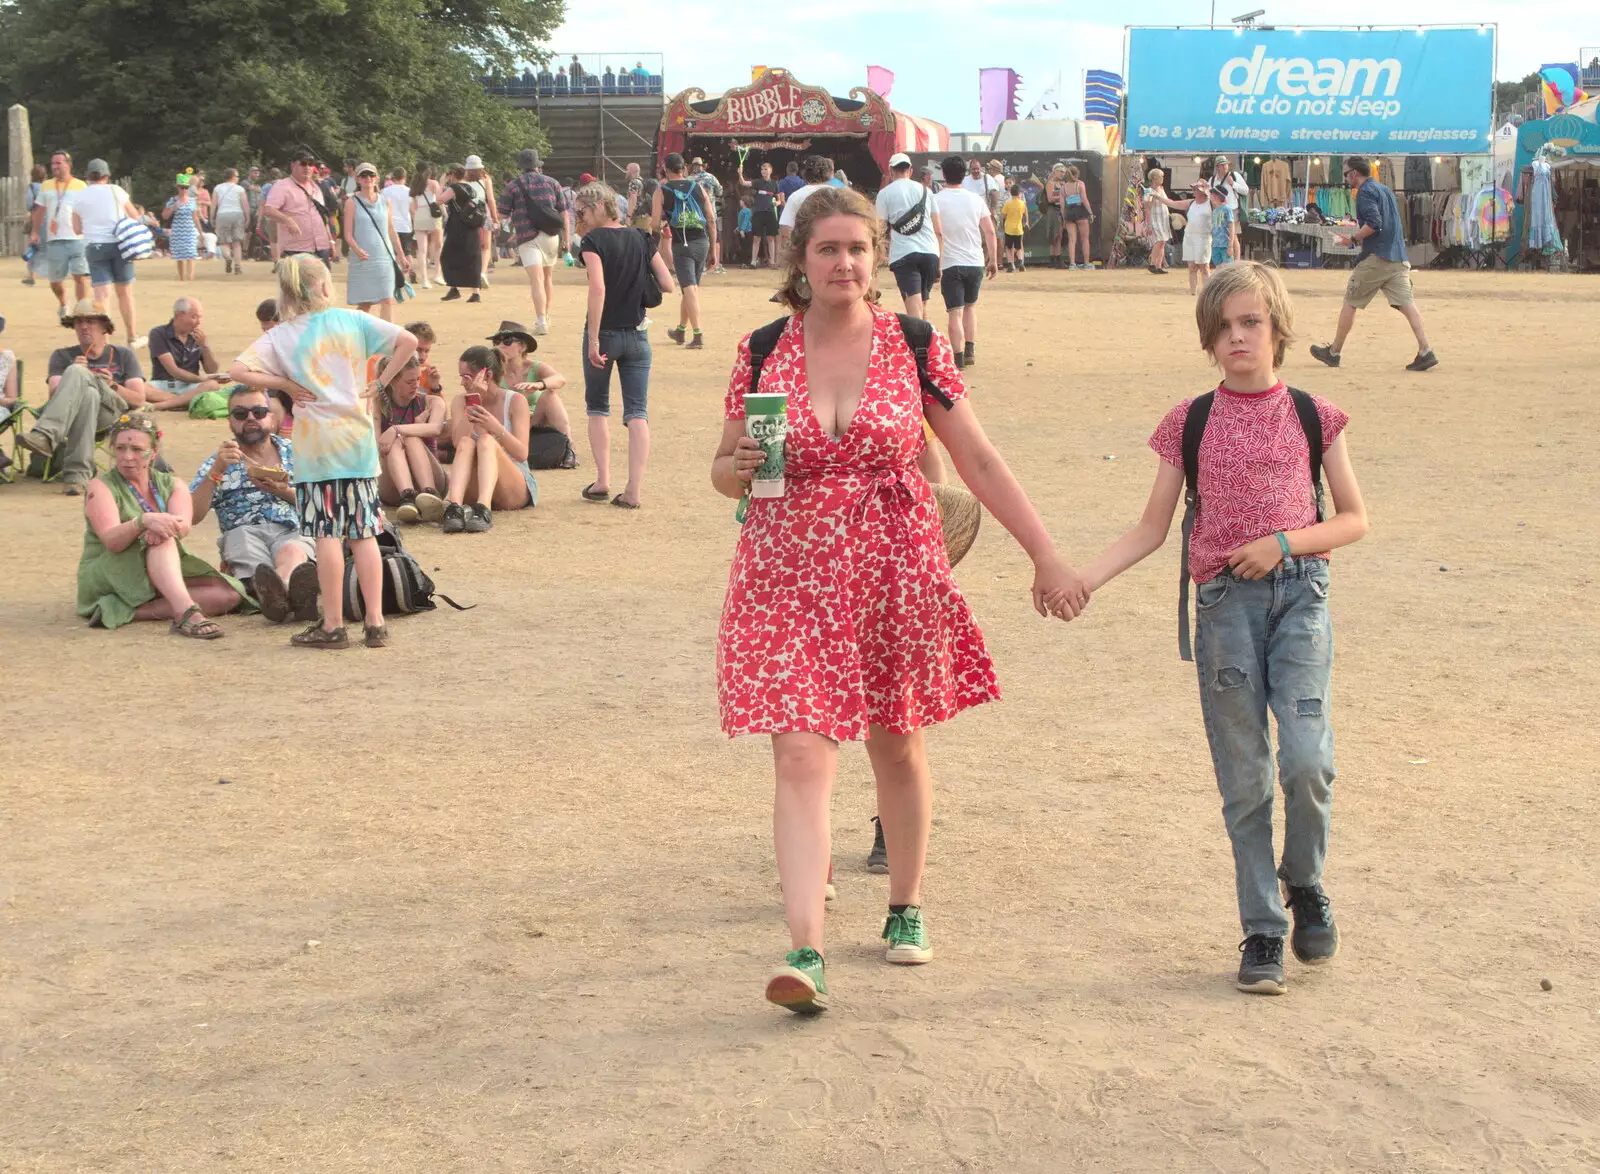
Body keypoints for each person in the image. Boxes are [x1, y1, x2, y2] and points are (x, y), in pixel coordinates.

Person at [711, 186, 1090, 1014]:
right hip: (788, 570)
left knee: (898, 742)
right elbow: (724, 469)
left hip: (894, 565)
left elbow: (979, 460)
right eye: (827, 250)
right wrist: (734, 464)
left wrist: (1045, 555)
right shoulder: (763, 349)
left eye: (856, 249)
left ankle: (905, 904)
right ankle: (804, 948)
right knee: (802, 754)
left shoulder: (914, 344)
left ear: (876, 258)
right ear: (799, 262)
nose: (843, 263)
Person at [1081, 261, 1368, 995]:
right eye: (1224, 327)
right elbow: (1150, 528)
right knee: (1245, 781)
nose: (1238, 337)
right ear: (1208, 341)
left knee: (1308, 761)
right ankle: (1264, 930)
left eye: (1252, 323)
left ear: (1277, 329)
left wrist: (1282, 542)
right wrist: (1081, 580)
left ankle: (1304, 882)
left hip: (1301, 600)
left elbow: (1352, 519)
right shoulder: (1190, 420)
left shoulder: (1314, 414)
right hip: (1223, 613)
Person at [230, 255, 418, 650]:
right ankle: (375, 622)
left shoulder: (283, 334)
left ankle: (332, 624)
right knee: (365, 531)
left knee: (327, 534)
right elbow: (408, 341)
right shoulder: (352, 320)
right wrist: (380, 382)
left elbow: (238, 371)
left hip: (317, 447)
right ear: (324, 286)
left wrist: (282, 380)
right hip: (357, 441)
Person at [79, 411, 250, 637]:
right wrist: (144, 522)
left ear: (153, 453)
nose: (127, 457)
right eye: (120, 448)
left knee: (229, 595)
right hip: (110, 569)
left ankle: (124, 610)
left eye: (137, 450)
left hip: (159, 567)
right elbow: (112, 541)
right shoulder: (100, 486)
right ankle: (186, 612)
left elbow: (184, 525)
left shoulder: (172, 484)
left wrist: (160, 526)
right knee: (164, 542)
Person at [574, 182, 675, 509]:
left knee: (598, 407)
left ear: (600, 206)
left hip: (604, 335)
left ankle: (603, 480)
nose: (581, 217)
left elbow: (598, 288)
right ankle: (633, 490)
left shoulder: (592, 242)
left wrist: (593, 339)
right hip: (637, 334)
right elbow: (668, 284)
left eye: (584, 210)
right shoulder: (641, 237)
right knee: (637, 412)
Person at [190, 385, 319, 622]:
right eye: (240, 414)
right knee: (253, 560)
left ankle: (281, 593)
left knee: (292, 549)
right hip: (243, 531)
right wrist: (216, 472)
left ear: (272, 416)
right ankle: (291, 595)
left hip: (290, 527)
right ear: (230, 420)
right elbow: (192, 516)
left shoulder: (296, 452)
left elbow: (320, 506)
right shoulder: (219, 461)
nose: (250, 418)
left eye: (258, 412)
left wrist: (285, 492)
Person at [1310, 159, 1438, 373]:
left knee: (1351, 300)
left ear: (1355, 174)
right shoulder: (1384, 189)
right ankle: (1426, 350)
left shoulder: (1364, 192)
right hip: (1397, 256)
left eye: (1346, 174)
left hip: (1377, 257)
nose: (1345, 178)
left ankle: (1334, 352)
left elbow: (1374, 223)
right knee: (1407, 304)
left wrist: (1352, 239)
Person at [16, 300, 151, 493]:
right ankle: (76, 476)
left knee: (79, 374)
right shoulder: (62, 355)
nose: (84, 326)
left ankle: (45, 435)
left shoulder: (123, 355)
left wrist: (113, 385)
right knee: (88, 394)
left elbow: (138, 399)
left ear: (105, 326)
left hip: (111, 415)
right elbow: (55, 394)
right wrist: (74, 370)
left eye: (91, 321)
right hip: (72, 415)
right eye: (79, 322)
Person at [437, 346, 536, 533]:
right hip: (475, 482)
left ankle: (483, 509)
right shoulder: (460, 401)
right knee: (467, 442)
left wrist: (495, 427)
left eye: (466, 376)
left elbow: (522, 454)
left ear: (487, 375)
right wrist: (474, 403)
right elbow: (458, 442)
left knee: (486, 440)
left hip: (514, 486)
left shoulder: (515, 401)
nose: (462, 382)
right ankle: (454, 507)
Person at [933, 156, 998, 370]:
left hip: (950, 263)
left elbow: (935, 231)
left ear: (944, 174)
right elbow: (989, 231)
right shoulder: (975, 199)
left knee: (955, 312)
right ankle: (970, 349)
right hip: (975, 261)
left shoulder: (937, 200)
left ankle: (958, 357)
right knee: (970, 308)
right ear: (965, 174)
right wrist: (993, 259)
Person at [73, 158, 143, 345]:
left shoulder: (80, 196)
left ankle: (103, 339)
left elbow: (77, 228)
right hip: (120, 245)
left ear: (88, 176)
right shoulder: (116, 191)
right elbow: (135, 216)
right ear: (107, 175)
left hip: (95, 246)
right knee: (125, 293)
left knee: (101, 295)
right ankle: (132, 336)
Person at [498, 148, 566, 333]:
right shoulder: (553, 183)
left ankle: (541, 320)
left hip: (527, 236)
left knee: (536, 280)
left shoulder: (513, 186)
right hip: (551, 235)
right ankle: (546, 314)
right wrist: (566, 238)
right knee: (547, 278)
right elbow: (564, 212)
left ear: (521, 166)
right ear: (537, 165)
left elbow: (502, 213)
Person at [371, 357, 447, 523]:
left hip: (432, 475)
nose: (416, 385)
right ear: (391, 381)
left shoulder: (432, 402)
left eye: (418, 379)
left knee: (410, 438)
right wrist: (401, 433)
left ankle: (430, 494)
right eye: (409, 381)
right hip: (392, 482)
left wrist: (396, 429)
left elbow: (435, 428)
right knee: (397, 442)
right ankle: (408, 497)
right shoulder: (377, 404)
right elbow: (376, 446)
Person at [653, 153, 716, 350]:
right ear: (684, 169)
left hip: (682, 244)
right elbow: (711, 220)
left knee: (689, 288)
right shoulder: (698, 188)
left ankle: (697, 334)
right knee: (691, 288)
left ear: (666, 169)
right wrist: (714, 249)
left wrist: (663, 224)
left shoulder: (662, 191)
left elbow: (654, 224)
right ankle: (681, 329)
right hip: (702, 242)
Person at [874, 152, 943, 320]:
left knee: (914, 309)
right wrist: (939, 264)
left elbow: (880, 228)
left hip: (903, 254)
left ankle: (918, 345)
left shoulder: (884, 194)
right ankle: (926, 343)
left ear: (891, 171)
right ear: (910, 171)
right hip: (930, 252)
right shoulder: (926, 192)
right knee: (921, 305)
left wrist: (876, 257)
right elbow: (939, 231)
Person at [344, 162, 410, 320]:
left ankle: (389, 338)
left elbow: (391, 230)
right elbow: (347, 234)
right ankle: (355, 332)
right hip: (363, 258)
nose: (368, 178)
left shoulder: (385, 201)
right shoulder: (351, 202)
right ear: (358, 179)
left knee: (387, 299)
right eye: (364, 175)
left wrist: (401, 255)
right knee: (365, 303)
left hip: (384, 257)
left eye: (371, 175)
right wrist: (357, 249)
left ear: (377, 178)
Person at [30, 150, 90, 320]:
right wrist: (34, 232)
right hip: (55, 239)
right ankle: (63, 303)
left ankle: (82, 311)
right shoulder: (46, 186)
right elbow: (39, 211)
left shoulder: (80, 185)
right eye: (53, 163)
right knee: (55, 281)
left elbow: (86, 210)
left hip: (77, 238)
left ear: (68, 164)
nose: (54, 166)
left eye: (58, 163)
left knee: (81, 276)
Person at [490, 320, 571, 438]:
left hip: (535, 421)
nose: (501, 345)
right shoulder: (493, 373)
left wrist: (539, 384)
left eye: (507, 341)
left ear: (522, 347)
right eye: (497, 342)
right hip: (509, 424)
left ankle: (568, 446)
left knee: (549, 396)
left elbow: (559, 379)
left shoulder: (534, 367)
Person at [145, 297, 226, 410]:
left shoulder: (197, 337)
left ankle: (161, 405)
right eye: (194, 317)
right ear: (179, 315)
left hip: (190, 387)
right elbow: (174, 371)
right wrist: (200, 379)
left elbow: (212, 370)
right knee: (139, 387)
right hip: (163, 385)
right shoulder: (158, 333)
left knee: (213, 385)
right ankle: (184, 401)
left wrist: (204, 346)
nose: (198, 322)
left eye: (200, 317)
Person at [263, 148, 333, 263]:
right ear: (292, 165)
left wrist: (331, 241)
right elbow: (269, 209)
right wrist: (287, 220)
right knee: (299, 281)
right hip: (295, 248)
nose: (307, 167)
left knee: (323, 281)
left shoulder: (316, 188)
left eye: (310, 164)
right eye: (303, 163)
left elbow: (322, 217)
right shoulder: (282, 186)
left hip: (321, 246)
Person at [1155, 179, 1214, 295]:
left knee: (1204, 266)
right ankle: (1193, 292)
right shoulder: (1191, 203)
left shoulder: (1211, 203)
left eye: (1196, 189)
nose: (1194, 191)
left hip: (1204, 237)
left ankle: (1207, 293)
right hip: (1189, 236)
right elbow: (1173, 203)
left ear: (1203, 191)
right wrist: (1158, 197)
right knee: (1192, 266)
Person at [439, 173, 488, 303]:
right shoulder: (472, 187)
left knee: (448, 256)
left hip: (457, 227)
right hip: (472, 226)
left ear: (452, 175)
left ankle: (454, 288)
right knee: (472, 258)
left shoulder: (455, 187)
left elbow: (439, 200)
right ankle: (475, 293)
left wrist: (441, 183)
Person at [777, 155, 833, 249]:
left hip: (807, 252)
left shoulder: (795, 197)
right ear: (828, 173)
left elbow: (786, 230)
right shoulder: (838, 194)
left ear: (805, 173)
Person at [463, 155, 499, 284]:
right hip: (484, 213)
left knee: (471, 245)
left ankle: (471, 272)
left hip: (468, 214)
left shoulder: (463, 180)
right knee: (486, 246)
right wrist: (495, 217)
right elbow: (490, 199)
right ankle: (482, 273)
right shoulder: (486, 179)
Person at [740, 159, 783, 267]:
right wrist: (740, 174)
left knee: (771, 238)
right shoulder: (758, 182)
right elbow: (744, 183)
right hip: (758, 212)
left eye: (765, 169)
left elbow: (779, 199)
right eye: (762, 169)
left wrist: (777, 203)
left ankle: (772, 261)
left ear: (770, 170)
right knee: (756, 237)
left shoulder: (774, 183)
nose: (763, 171)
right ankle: (753, 262)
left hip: (770, 212)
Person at [410, 165, 444, 288]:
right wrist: (443, 183)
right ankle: (437, 274)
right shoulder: (433, 183)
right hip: (432, 214)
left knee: (421, 250)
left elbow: (412, 207)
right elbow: (440, 199)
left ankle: (424, 279)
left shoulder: (415, 185)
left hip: (420, 214)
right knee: (438, 245)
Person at [690, 159, 726, 273]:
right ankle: (716, 264)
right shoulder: (711, 177)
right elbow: (720, 192)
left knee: (697, 238)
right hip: (710, 212)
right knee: (715, 238)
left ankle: (700, 265)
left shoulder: (689, 179)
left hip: (694, 214)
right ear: (703, 166)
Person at [212, 168, 251, 274]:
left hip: (222, 215)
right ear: (233, 177)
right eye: (237, 176)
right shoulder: (240, 189)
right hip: (237, 215)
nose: (238, 178)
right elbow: (245, 204)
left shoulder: (218, 188)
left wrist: (212, 217)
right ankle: (237, 267)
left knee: (224, 241)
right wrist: (247, 217)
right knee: (237, 242)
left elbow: (214, 204)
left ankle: (228, 258)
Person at [163, 176, 201, 282]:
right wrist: (172, 208)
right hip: (177, 231)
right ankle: (182, 278)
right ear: (177, 188)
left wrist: (201, 233)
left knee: (191, 254)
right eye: (182, 187)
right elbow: (164, 216)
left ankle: (191, 278)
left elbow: (195, 217)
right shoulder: (173, 200)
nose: (184, 190)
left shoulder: (192, 201)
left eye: (186, 187)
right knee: (180, 256)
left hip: (190, 230)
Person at [1213, 155, 1250, 260]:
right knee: (1220, 235)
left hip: (1232, 210)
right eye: (1222, 165)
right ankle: (1223, 259)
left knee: (1233, 236)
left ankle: (1236, 261)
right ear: (1217, 167)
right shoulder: (1213, 180)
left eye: (1226, 164)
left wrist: (1233, 183)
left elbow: (1245, 190)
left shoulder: (1234, 175)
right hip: (1218, 212)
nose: (1225, 166)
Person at [1059, 164, 1094, 270]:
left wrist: (1064, 218)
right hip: (1080, 211)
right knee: (1085, 239)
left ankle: (1072, 264)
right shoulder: (1080, 184)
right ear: (1077, 174)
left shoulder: (1063, 187)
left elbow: (1062, 205)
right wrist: (1090, 213)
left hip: (1069, 212)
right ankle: (1087, 263)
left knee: (1072, 240)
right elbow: (1084, 199)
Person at [1142, 168, 1173, 274]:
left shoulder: (1161, 189)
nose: (1162, 178)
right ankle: (1152, 263)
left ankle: (1158, 265)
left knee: (1163, 241)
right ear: (1154, 178)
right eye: (1161, 176)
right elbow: (1147, 207)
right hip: (1155, 219)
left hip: (1163, 218)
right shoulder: (1149, 191)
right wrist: (1148, 223)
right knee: (1158, 241)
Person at [21, 163, 46, 287]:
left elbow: (29, 205)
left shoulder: (31, 187)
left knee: (33, 247)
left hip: (36, 219)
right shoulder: (48, 187)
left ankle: (32, 276)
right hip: (49, 219)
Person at [383, 167, 414, 259]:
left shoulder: (385, 191)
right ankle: (409, 270)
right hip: (405, 225)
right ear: (405, 177)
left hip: (390, 225)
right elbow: (412, 210)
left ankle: (395, 272)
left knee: (391, 252)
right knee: (407, 252)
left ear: (393, 177)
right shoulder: (409, 191)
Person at [999, 184, 1029, 273]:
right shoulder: (1022, 204)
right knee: (1019, 247)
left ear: (1011, 193)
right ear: (1019, 193)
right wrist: (1026, 222)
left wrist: (1001, 226)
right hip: (1019, 229)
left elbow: (1002, 216)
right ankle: (1020, 260)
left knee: (1009, 248)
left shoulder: (1007, 204)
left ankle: (1011, 264)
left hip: (1009, 229)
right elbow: (1025, 214)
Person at [1041, 163, 1067, 268]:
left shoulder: (1061, 183)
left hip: (1059, 210)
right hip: (1053, 210)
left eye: (1064, 172)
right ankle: (1057, 259)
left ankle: (1054, 259)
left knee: (1058, 235)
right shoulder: (1050, 183)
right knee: (1056, 235)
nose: (1062, 174)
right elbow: (1050, 198)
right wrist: (1062, 197)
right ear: (1054, 171)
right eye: (1060, 171)